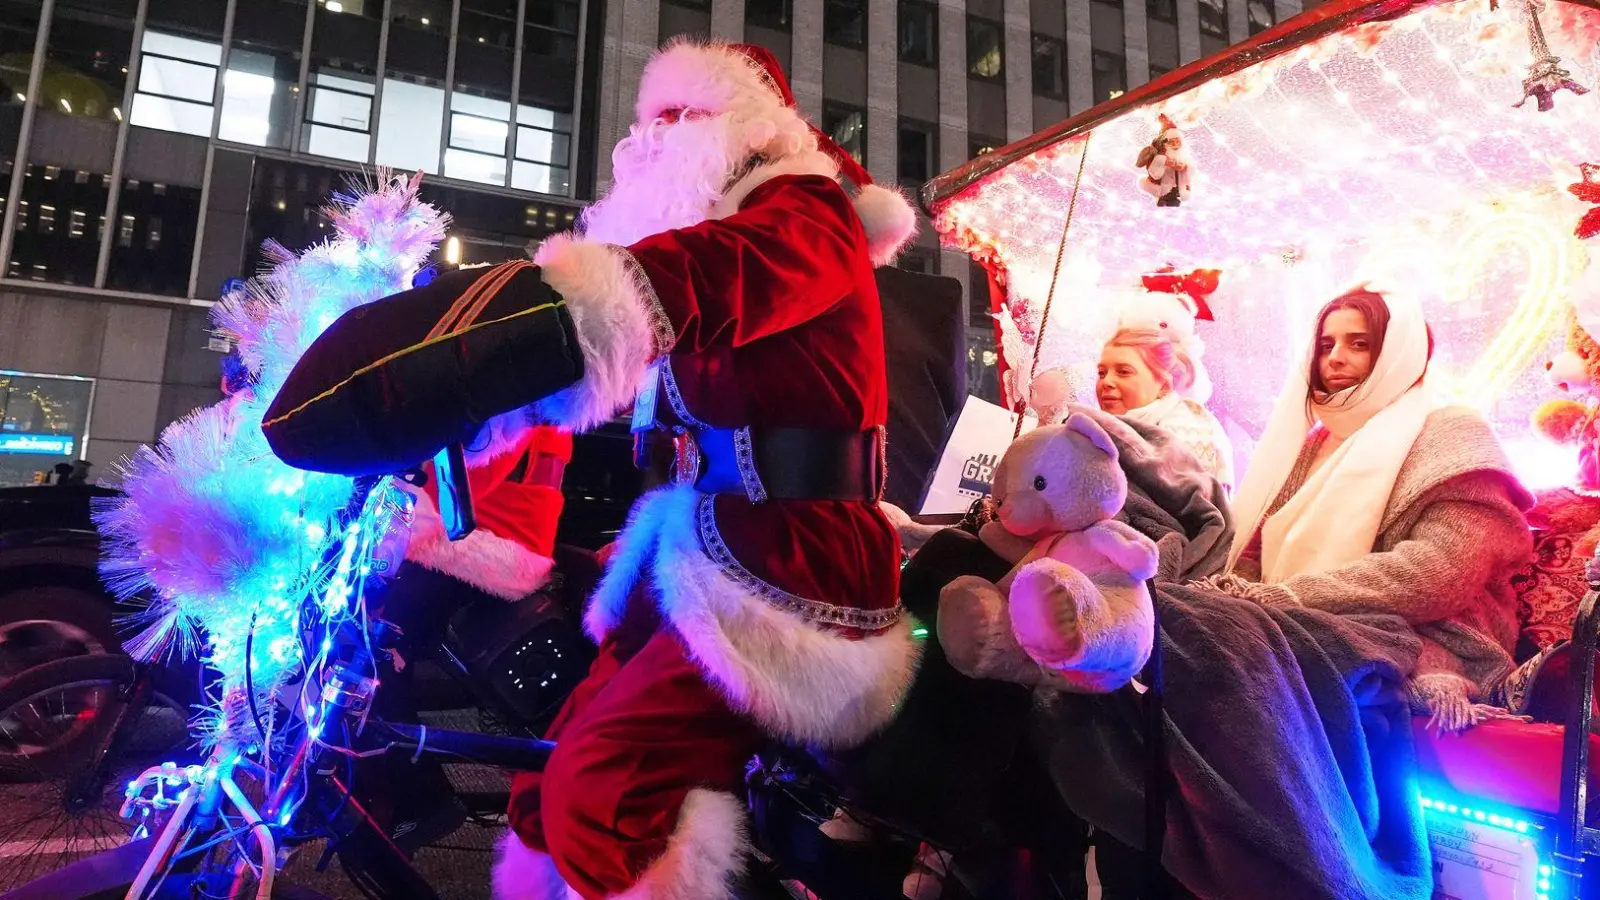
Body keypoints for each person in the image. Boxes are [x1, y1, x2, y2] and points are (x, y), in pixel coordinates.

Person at [259, 37, 922, 900]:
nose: (647, 143)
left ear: (745, 129)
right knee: (545, 777)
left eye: (677, 121)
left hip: (789, 565)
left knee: (601, 795)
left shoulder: (804, 214)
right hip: (696, 552)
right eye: (644, 123)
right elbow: (604, 363)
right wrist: (458, 414)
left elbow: (692, 283)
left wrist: (513, 336)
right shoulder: (715, 222)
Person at [1214, 284, 1533, 731]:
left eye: (1359, 344)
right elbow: (1256, 550)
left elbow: (1440, 572)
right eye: (1327, 345)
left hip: (1427, 633)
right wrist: (1236, 596)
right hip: (1294, 624)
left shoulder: (1453, 433)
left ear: (1401, 352)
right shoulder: (1315, 444)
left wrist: (1288, 599)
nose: (1336, 358)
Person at [1097, 327, 1234, 493]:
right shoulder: (1100, 428)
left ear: (1163, 385)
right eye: (1102, 373)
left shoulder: (1186, 426)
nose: (1106, 382)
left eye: (1124, 372)